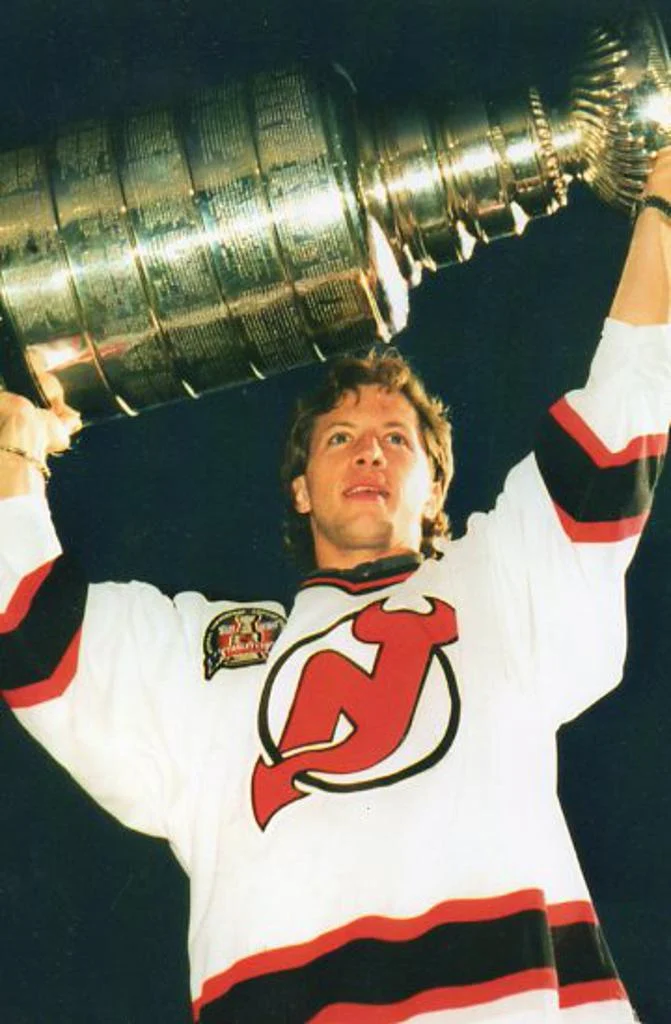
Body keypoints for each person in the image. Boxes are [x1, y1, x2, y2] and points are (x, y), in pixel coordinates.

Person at [0, 149, 669, 1024]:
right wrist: (12, 447)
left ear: (435, 485)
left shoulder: (500, 586)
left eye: (398, 440)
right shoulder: (214, 659)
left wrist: (659, 206)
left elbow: (615, 430)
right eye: (340, 436)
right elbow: (32, 630)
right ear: (299, 486)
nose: (368, 450)